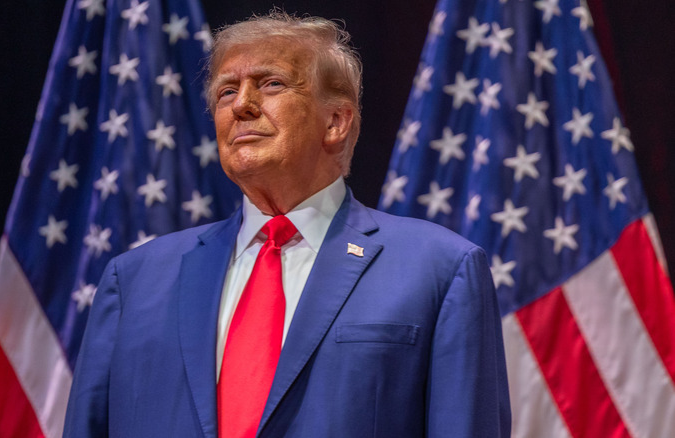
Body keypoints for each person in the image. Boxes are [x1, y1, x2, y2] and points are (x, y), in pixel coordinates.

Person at [63, 11, 510, 438]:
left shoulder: (438, 269)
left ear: (335, 121)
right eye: (226, 92)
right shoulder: (135, 280)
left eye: (270, 83)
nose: (242, 105)